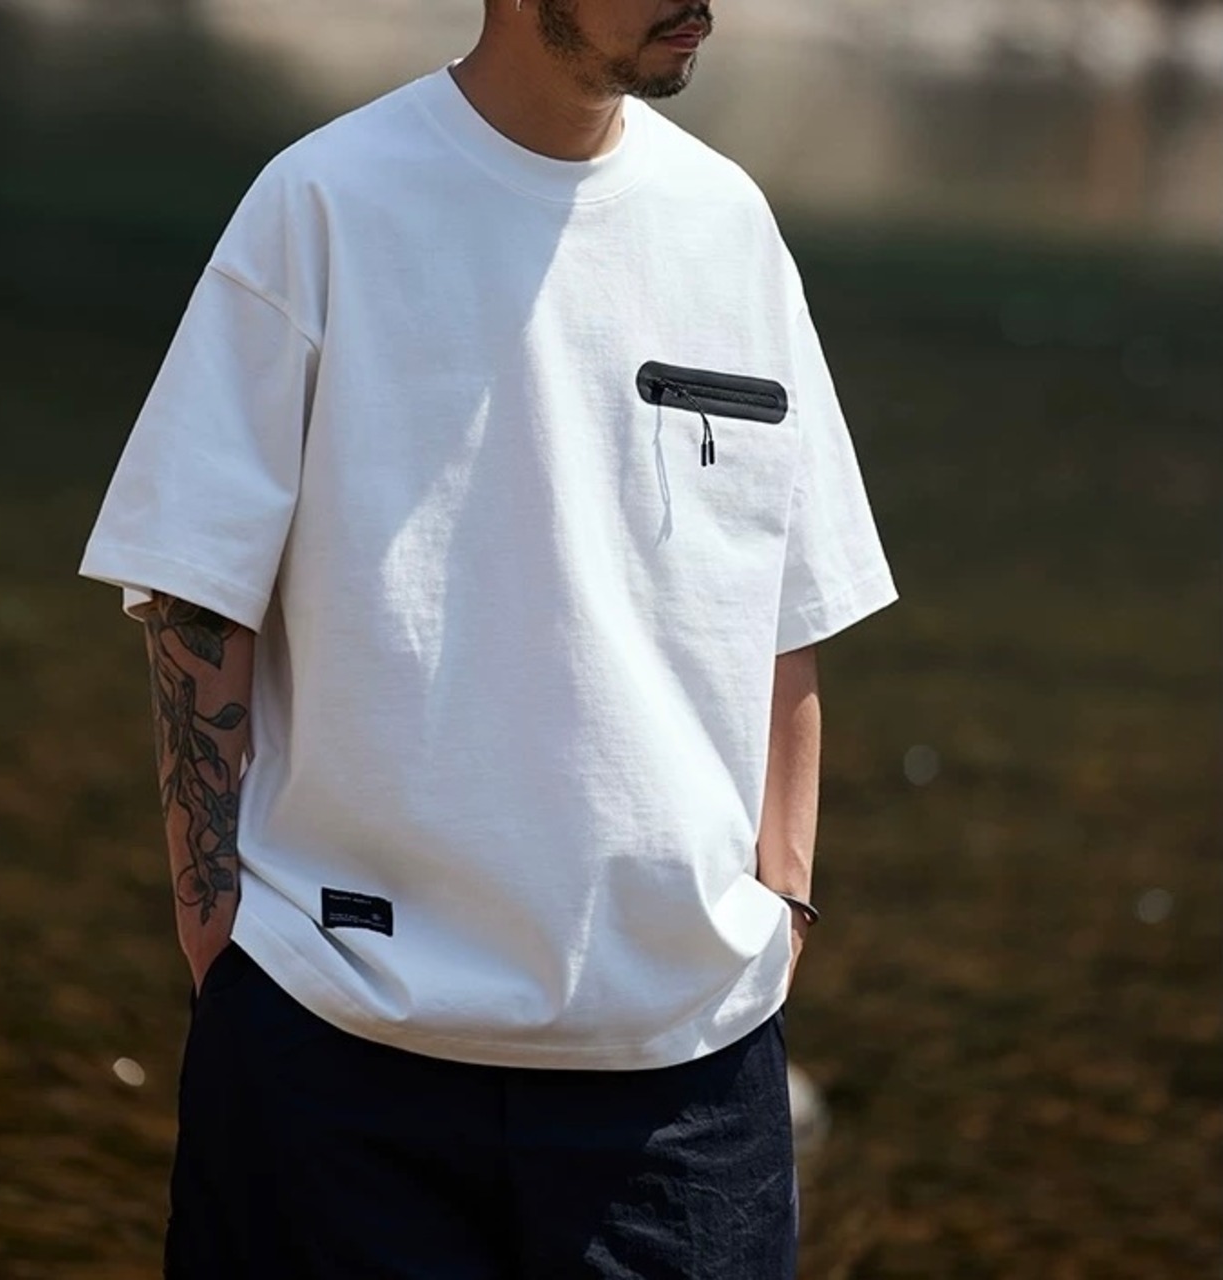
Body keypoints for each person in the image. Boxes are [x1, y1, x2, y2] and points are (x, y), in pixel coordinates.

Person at [80, 2, 896, 1276]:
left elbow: (789, 597)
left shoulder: (727, 224)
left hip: (685, 1087)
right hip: (338, 1053)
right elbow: (195, 587)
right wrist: (221, 936)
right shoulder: (324, 203)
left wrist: (781, 898)